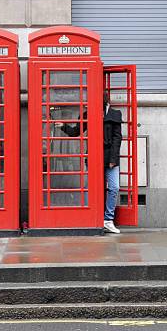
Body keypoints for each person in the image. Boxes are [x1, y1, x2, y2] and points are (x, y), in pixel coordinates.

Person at [57, 93, 123, 234]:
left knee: (114, 187)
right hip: (94, 157)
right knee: (92, 187)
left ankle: (108, 219)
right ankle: (91, 216)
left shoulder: (115, 114)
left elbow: (117, 139)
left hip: (110, 157)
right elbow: (76, 131)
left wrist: (113, 159)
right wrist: (64, 126)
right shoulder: (87, 114)